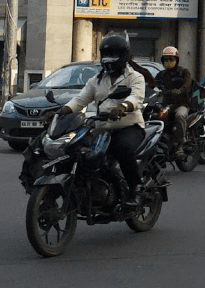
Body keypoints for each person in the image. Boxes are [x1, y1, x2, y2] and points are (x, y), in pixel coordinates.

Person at [52, 32, 147, 206]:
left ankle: (136, 188)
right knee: (80, 152)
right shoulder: (96, 80)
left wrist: (122, 107)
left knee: (123, 149)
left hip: (129, 127)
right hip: (101, 128)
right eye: (106, 55)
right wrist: (61, 111)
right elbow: (80, 100)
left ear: (124, 56)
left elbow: (136, 97)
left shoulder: (135, 77)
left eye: (114, 55)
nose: (109, 59)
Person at [154, 46, 192, 158]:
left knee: (180, 115)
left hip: (181, 103)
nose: (169, 62)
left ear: (176, 60)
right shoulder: (161, 75)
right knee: (155, 116)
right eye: (166, 60)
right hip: (166, 104)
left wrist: (180, 91)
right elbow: (153, 84)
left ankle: (181, 142)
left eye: (171, 59)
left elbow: (187, 85)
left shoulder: (184, 72)